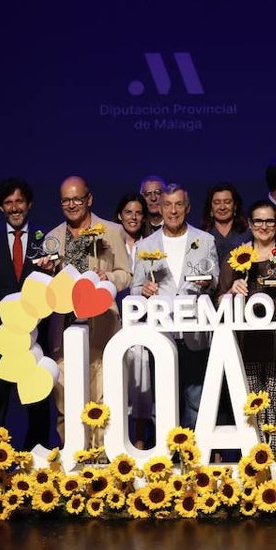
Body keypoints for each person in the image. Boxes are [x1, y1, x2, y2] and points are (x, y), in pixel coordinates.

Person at [42, 176, 132, 445]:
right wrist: (46, 273)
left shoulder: (112, 230)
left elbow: (126, 274)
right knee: (65, 400)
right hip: (64, 328)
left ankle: (102, 459)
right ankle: (72, 456)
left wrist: (109, 279)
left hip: (102, 325)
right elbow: (48, 288)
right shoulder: (52, 238)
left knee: (102, 398)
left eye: (77, 199)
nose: (72, 205)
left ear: (89, 199)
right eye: (66, 200)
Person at [218, 200, 276, 429]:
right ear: (250, 224)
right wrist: (232, 291)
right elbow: (219, 299)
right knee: (251, 409)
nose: (264, 226)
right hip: (247, 345)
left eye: (269, 220)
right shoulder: (238, 255)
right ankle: (255, 457)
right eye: (258, 221)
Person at [130, 184, 218, 428]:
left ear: (187, 208)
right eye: (167, 205)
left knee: (196, 398)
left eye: (179, 204)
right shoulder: (146, 246)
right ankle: (168, 457)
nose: (173, 210)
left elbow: (215, 280)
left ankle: (194, 456)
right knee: (165, 399)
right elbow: (135, 288)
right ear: (160, 207)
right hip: (162, 332)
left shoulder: (205, 240)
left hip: (195, 332)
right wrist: (144, 290)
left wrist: (208, 282)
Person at [0, 177, 52, 450]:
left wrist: (28, 321)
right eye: (8, 203)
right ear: (1, 208)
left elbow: (49, 288)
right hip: (0, 336)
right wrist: (10, 320)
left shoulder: (44, 241)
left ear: (29, 204)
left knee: (36, 401)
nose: (14, 207)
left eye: (19, 201)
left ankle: (37, 464)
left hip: (35, 336)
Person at [115, 191, 153, 448]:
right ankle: (115, 438)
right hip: (112, 318)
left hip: (142, 322)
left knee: (142, 379)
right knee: (114, 380)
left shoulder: (151, 245)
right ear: (119, 215)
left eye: (138, 212)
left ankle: (139, 439)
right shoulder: (108, 242)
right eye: (128, 212)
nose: (134, 217)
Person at [201, 182, 249, 260]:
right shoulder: (202, 236)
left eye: (227, 202)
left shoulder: (248, 234)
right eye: (217, 203)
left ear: (235, 206)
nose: (222, 207)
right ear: (210, 207)